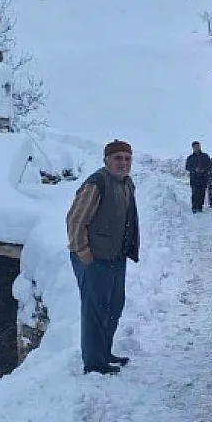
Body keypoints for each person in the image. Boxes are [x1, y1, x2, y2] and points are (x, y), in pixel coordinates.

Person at [66, 139, 140, 375]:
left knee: (113, 307)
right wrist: (83, 252)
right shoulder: (97, 183)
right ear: (106, 160)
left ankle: (104, 352)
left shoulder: (126, 184)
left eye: (127, 158)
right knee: (95, 311)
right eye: (118, 158)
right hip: (93, 258)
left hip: (115, 258)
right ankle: (94, 363)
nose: (123, 163)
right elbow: (75, 220)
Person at [185, 140, 212, 213]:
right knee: (194, 193)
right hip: (194, 179)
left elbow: (209, 165)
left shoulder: (205, 156)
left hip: (203, 178)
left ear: (200, 147)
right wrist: (194, 170)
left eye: (198, 146)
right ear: (193, 148)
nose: (197, 148)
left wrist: (204, 170)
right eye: (195, 147)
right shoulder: (190, 158)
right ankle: (194, 207)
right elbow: (187, 167)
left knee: (202, 193)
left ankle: (200, 207)